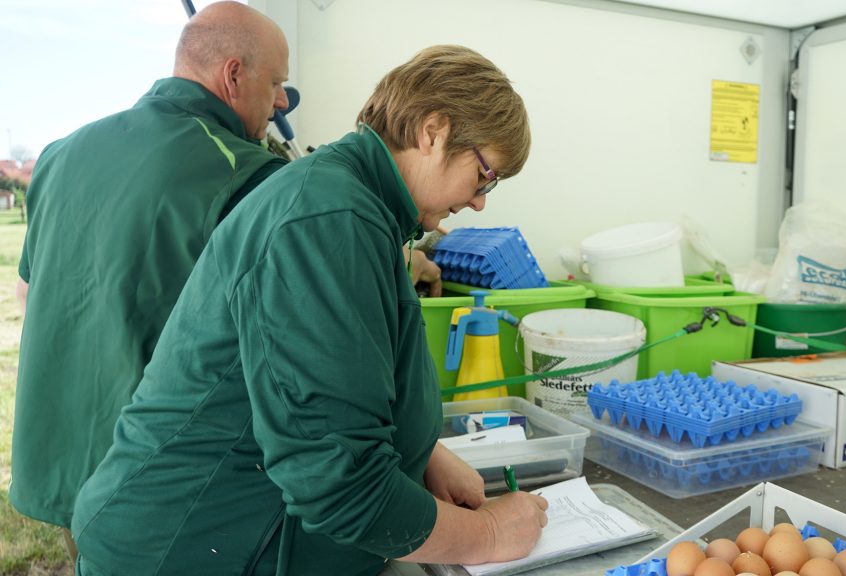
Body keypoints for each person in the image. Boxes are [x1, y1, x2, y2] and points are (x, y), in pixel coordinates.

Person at [71, 45, 547, 575]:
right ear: (433, 131)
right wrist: (489, 532)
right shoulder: (328, 220)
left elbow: (318, 390)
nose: (482, 200)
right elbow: (341, 485)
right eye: (486, 174)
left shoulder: (355, 205)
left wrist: (426, 455)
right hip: (189, 548)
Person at [10, 0, 291, 556]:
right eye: (278, 82)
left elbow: (26, 293)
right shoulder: (244, 173)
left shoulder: (63, 152)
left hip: (57, 454)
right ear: (233, 75)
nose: (283, 100)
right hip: (153, 481)